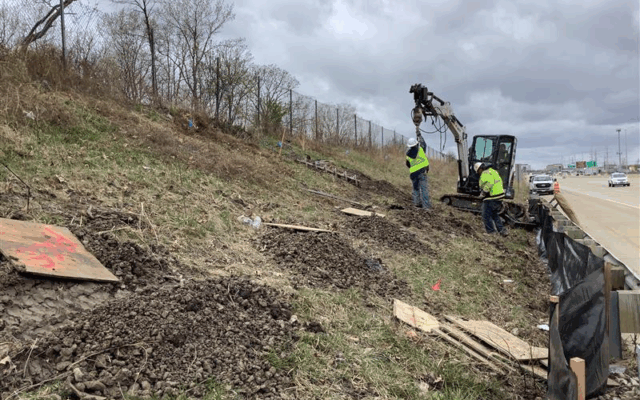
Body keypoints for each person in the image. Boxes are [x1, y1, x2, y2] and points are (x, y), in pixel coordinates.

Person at [474, 162, 508, 236]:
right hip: (499, 196)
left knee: (486, 215)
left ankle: (491, 232)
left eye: (478, 171)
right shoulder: (493, 171)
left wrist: (483, 193)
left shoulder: (485, 173)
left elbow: (489, 183)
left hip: (492, 196)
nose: (478, 173)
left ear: (480, 169)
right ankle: (502, 231)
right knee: (494, 214)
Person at [405, 135, 431, 209]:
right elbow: (424, 144)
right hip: (422, 172)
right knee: (424, 189)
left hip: (413, 174)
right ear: (416, 144)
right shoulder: (421, 150)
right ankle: (426, 207)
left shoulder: (408, 154)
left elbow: (407, 164)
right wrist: (420, 135)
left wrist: (414, 168)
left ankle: (417, 204)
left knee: (415, 188)